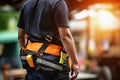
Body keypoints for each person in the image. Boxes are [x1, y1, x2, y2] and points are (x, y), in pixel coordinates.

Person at [17, 0, 79, 80]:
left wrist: (25, 52)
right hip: (54, 65)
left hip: (32, 62)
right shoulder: (58, 2)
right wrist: (75, 62)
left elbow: (20, 36)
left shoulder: (26, 5)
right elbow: (65, 36)